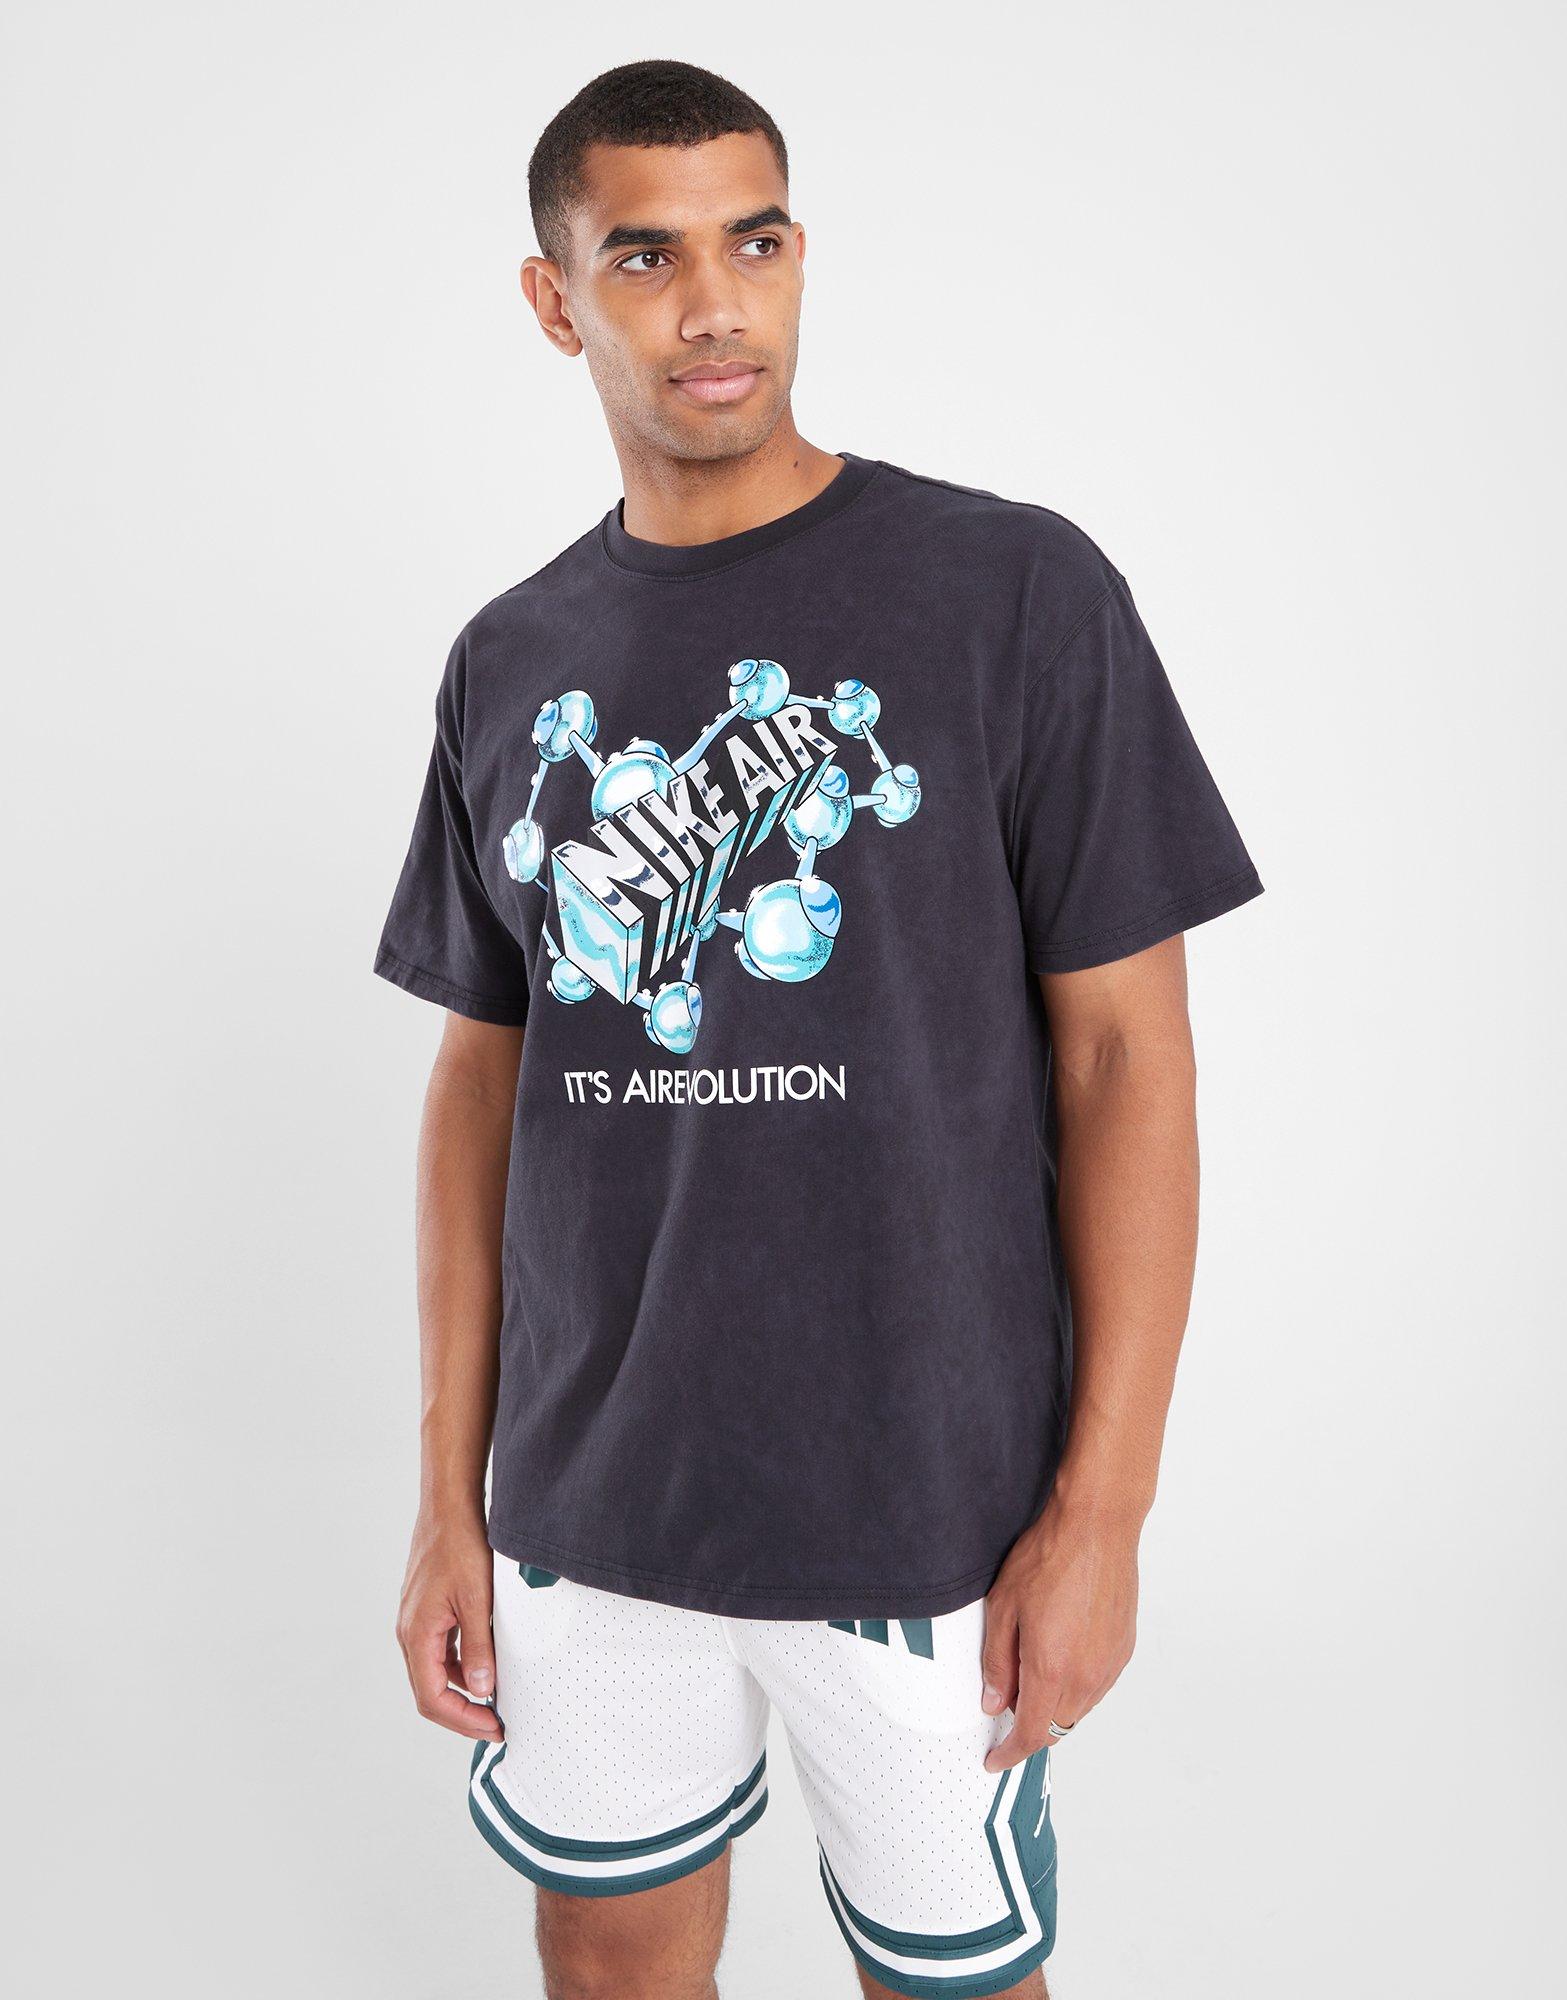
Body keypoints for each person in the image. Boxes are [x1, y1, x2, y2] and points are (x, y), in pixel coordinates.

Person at [375, 57, 1262, 2000]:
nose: (714, 305)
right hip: (594, 1498)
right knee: (609, 1957)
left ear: (797, 256)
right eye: (645, 256)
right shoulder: (511, 660)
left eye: (754, 242)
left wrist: (1102, 1513)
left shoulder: (1010, 591)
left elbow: (1129, 1061)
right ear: (554, 300)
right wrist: (448, 1500)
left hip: (931, 1506)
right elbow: (480, 1081)